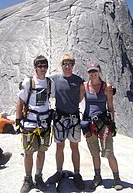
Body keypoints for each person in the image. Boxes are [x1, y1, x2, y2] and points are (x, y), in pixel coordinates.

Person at [16, 55, 55, 193]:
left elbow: (51, 100)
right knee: (28, 152)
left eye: (45, 66)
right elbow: (20, 101)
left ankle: (38, 177)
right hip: (30, 123)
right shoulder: (28, 82)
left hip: (44, 122)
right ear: (35, 68)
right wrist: (17, 120)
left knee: (42, 151)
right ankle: (28, 179)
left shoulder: (50, 83)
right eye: (40, 66)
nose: (42, 69)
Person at [82, 62, 123, 190]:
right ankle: (97, 177)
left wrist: (113, 123)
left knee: (109, 152)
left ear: (99, 71)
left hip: (103, 123)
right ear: (88, 73)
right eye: (90, 71)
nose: (93, 74)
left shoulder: (106, 87)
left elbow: (110, 106)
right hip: (89, 123)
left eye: (95, 71)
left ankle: (117, 179)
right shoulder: (84, 86)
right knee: (94, 153)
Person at [48, 54, 85, 189]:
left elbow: (80, 97)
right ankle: (59, 172)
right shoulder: (54, 80)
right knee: (60, 146)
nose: (67, 66)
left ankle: (76, 174)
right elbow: (42, 83)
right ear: (62, 65)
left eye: (70, 64)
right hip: (60, 118)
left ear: (73, 66)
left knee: (74, 147)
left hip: (73, 117)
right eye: (65, 64)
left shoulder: (78, 80)